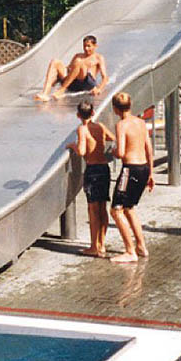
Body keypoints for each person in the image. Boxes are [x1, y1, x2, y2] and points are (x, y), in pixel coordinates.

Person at [109, 92, 154, 263]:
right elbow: (148, 148)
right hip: (143, 168)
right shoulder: (141, 123)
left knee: (116, 210)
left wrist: (111, 151)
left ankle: (130, 251)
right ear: (131, 104)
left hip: (131, 169)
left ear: (115, 109)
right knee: (129, 208)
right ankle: (141, 246)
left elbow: (120, 153)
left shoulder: (122, 125)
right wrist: (151, 173)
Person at [66, 101, 115, 257]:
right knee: (103, 208)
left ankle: (94, 246)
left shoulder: (82, 129)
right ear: (93, 113)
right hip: (104, 169)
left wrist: (71, 145)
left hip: (92, 170)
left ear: (78, 115)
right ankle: (102, 244)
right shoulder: (100, 127)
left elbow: (81, 151)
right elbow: (112, 137)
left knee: (93, 210)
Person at [34, 35, 109, 101]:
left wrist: (99, 89)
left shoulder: (98, 58)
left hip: (86, 83)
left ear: (95, 46)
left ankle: (61, 90)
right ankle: (45, 93)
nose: (86, 48)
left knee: (79, 62)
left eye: (89, 46)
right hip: (73, 83)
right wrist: (57, 77)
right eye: (84, 46)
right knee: (55, 61)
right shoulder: (78, 55)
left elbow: (105, 77)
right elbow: (69, 69)